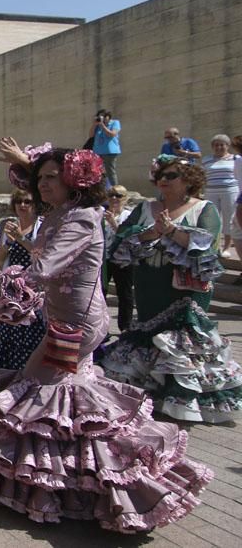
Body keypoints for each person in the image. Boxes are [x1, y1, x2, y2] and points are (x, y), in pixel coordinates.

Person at [0, 140, 213, 531]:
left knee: (45, 395)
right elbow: (42, 250)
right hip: (63, 319)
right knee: (66, 406)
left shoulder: (82, 217)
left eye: (54, 178)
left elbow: (44, 267)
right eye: (40, 178)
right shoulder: (60, 213)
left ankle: (123, 484)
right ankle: (80, 484)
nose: (43, 185)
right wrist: (28, 165)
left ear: (74, 181)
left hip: (77, 326)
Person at [99, 155, 242, 422]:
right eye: (161, 175)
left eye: (171, 175)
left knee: (181, 338)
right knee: (149, 332)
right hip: (149, 284)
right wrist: (151, 233)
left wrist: (173, 231)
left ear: (188, 181)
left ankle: (182, 400)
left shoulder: (203, 208)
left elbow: (208, 244)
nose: (163, 180)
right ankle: (148, 393)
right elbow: (121, 239)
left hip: (185, 290)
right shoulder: (145, 208)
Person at [0, 188, 46, 370]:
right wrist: (9, 242)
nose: (22, 205)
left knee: (31, 334)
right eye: (19, 202)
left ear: (35, 205)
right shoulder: (10, 227)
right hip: (12, 290)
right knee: (9, 332)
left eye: (27, 201)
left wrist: (22, 239)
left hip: (34, 290)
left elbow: (42, 257)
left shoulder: (42, 227)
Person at [103, 185, 135, 331]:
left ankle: (125, 326)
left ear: (125, 198)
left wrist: (114, 224)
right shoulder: (101, 214)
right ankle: (101, 327)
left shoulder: (129, 215)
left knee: (125, 294)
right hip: (104, 259)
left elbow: (130, 237)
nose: (114, 198)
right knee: (101, 292)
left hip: (123, 260)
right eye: (111, 195)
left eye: (118, 195)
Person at [202, 134, 240, 255]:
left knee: (229, 218)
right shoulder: (206, 160)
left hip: (230, 191)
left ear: (227, 146)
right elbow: (202, 176)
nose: (219, 147)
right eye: (216, 145)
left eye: (222, 144)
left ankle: (227, 247)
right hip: (210, 191)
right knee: (211, 219)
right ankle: (214, 246)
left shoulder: (236, 159)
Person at [90, 108, 121, 186]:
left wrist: (102, 125)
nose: (102, 119)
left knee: (110, 172)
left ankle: (115, 190)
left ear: (108, 116)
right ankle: (102, 189)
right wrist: (94, 124)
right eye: (100, 117)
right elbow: (91, 135)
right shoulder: (97, 125)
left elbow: (112, 134)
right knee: (96, 172)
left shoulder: (115, 123)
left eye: (104, 117)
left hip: (110, 152)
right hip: (97, 152)